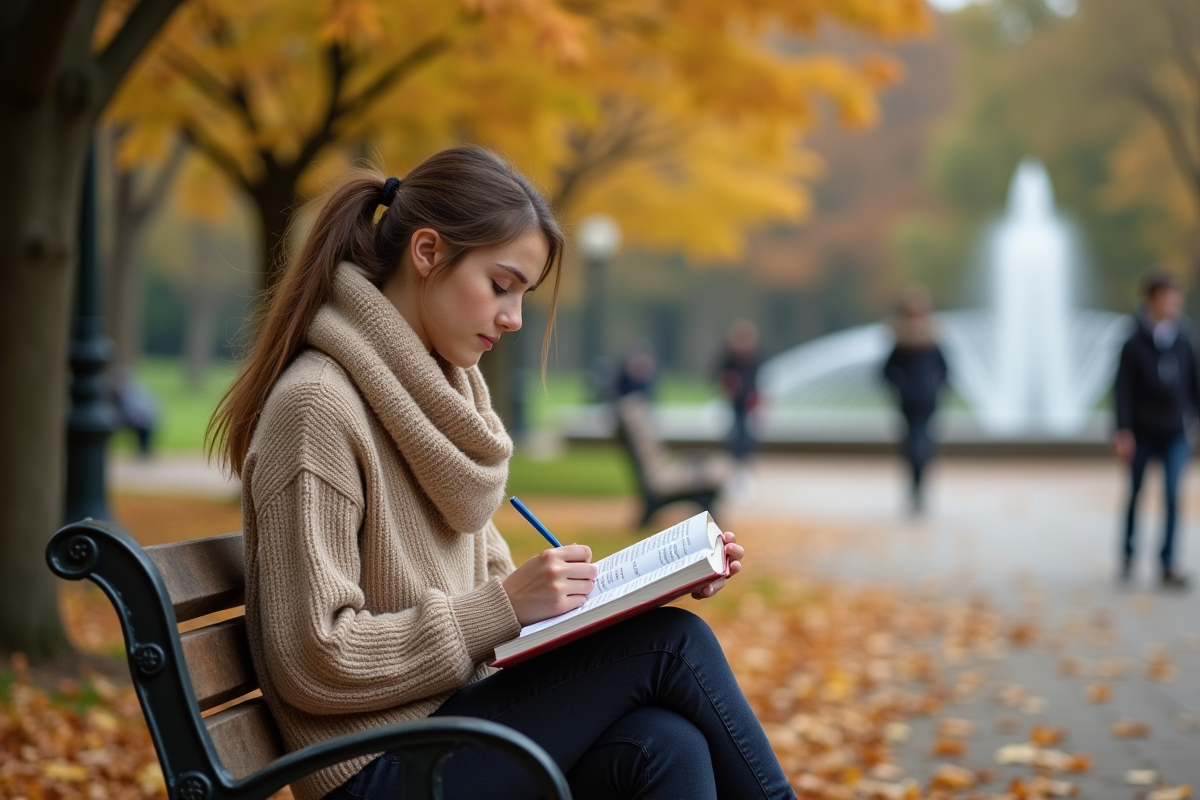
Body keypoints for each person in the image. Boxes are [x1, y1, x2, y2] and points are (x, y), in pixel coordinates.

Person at [208, 147, 793, 800]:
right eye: (501, 285)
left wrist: (627, 594)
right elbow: (310, 659)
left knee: (664, 744)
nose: (514, 318)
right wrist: (503, 607)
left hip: (448, 729)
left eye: (522, 295)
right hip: (374, 770)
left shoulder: (445, 404)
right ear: (427, 253)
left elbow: (492, 615)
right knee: (671, 647)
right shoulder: (318, 408)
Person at [1114, 271, 1198, 590]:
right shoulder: (1133, 341)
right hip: (1142, 430)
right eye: (1168, 298)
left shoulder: (1184, 338)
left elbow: (1194, 383)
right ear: (1153, 300)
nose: (1174, 304)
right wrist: (1123, 430)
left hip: (1175, 431)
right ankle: (1128, 553)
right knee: (1136, 493)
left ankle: (1168, 562)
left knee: (1173, 496)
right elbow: (1122, 389)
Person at [881, 288, 948, 515]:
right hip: (909, 401)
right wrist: (900, 388)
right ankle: (915, 488)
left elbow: (945, 370)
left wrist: (937, 388)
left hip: (927, 400)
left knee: (921, 443)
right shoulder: (901, 341)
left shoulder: (932, 339)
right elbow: (886, 371)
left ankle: (918, 488)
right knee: (913, 444)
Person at [716, 320, 762, 462]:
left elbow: (757, 378)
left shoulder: (754, 357)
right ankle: (738, 456)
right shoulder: (729, 357)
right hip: (734, 399)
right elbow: (719, 374)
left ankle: (742, 456)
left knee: (744, 429)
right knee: (737, 428)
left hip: (747, 399)